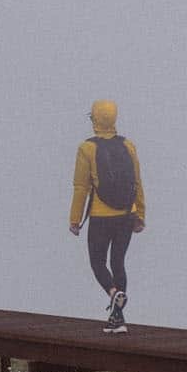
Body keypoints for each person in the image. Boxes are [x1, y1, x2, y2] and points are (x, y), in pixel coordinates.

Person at [68, 99, 145, 332]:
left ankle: (113, 293)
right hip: (126, 215)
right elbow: (138, 182)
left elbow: (81, 187)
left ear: (95, 120)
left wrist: (75, 219)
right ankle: (117, 319)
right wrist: (140, 214)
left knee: (98, 262)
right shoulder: (129, 146)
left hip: (101, 217)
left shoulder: (87, 148)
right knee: (118, 262)